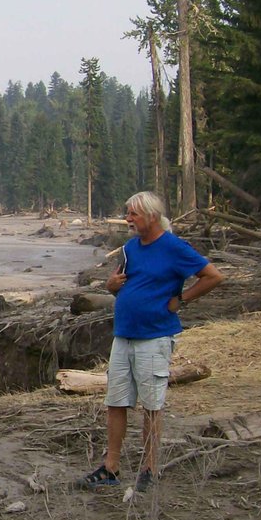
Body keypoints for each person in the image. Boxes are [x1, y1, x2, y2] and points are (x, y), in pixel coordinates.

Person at [78, 191, 224, 492]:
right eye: (127, 213)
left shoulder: (173, 247)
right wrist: (110, 286)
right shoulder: (131, 248)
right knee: (116, 401)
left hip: (155, 337)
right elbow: (121, 284)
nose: (128, 219)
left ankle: (149, 469)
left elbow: (213, 276)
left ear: (152, 216)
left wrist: (181, 299)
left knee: (152, 405)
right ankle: (111, 468)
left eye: (133, 214)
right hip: (124, 335)